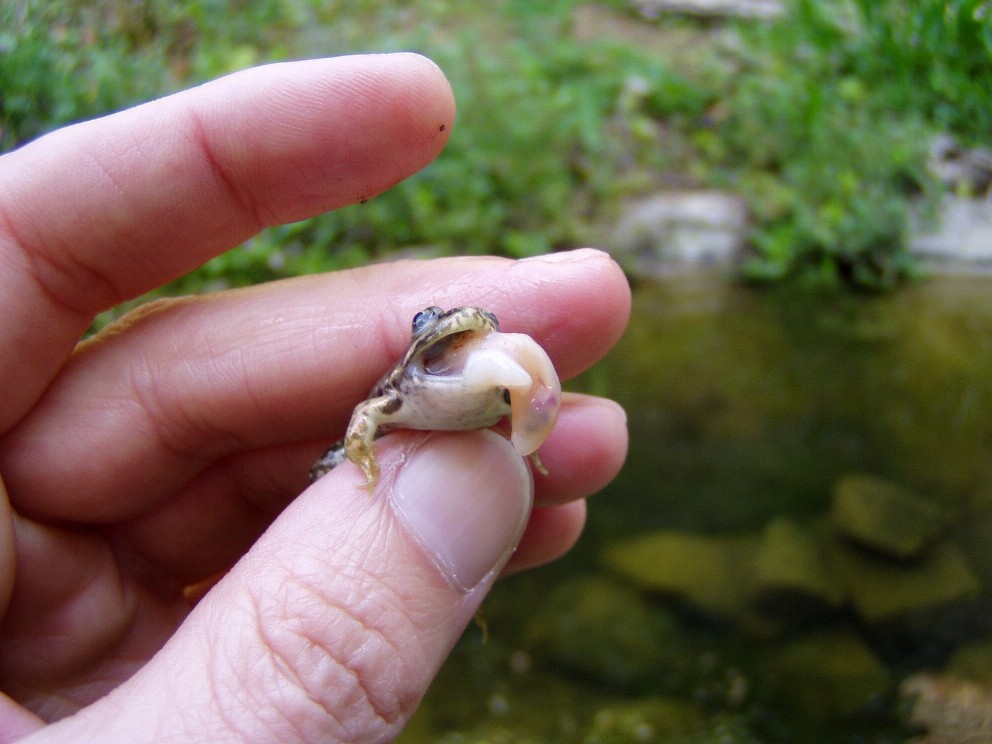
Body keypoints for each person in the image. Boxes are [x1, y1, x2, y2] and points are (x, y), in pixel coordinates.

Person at [0, 54, 630, 743]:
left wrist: (524, 443)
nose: (455, 329)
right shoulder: (403, 387)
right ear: (421, 347)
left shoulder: (490, 386)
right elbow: (365, 418)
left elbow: (525, 416)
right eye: (432, 326)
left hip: (465, 439)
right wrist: (360, 465)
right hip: (396, 448)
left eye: (474, 327)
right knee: (329, 472)